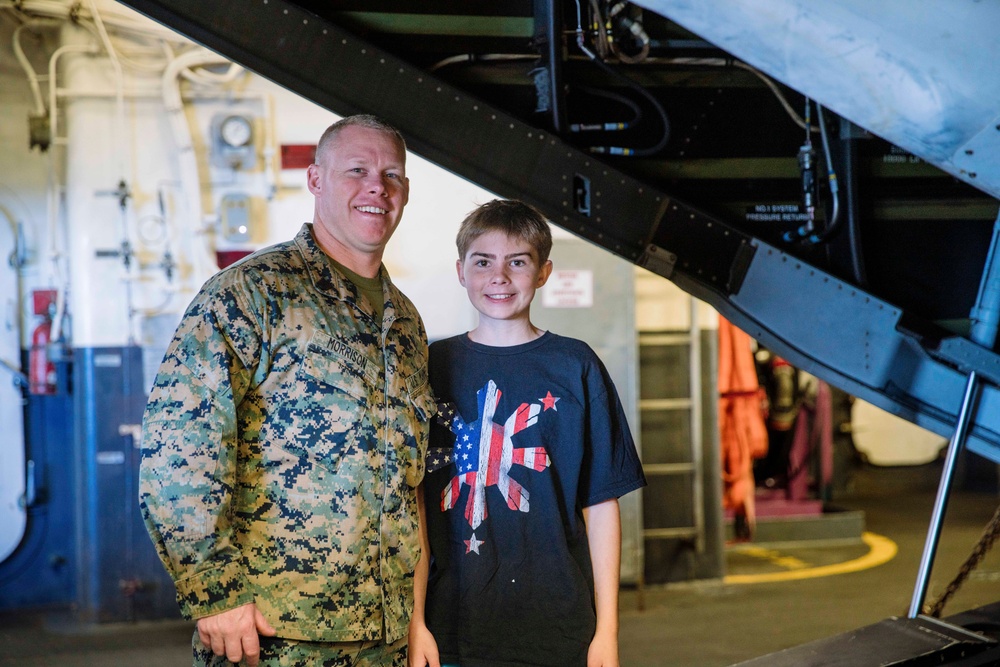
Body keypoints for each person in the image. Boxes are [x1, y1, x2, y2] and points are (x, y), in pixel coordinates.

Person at [139, 114, 436, 667]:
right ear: (315, 179)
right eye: (357, 170)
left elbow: (407, 482)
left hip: (386, 639)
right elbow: (179, 447)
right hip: (276, 636)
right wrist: (214, 593)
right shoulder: (253, 293)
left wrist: (415, 622)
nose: (378, 185)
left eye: (392, 174)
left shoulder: (406, 323)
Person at [407, 199, 646, 667]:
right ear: (460, 271)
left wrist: (607, 633)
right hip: (451, 624)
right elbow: (412, 506)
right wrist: (417, 623)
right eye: (483, 262)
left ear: (543, 272)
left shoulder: (576, 367)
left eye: (517, 262)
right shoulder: (429, 367)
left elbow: (601, 506)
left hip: (558, 625)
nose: (499, 277)